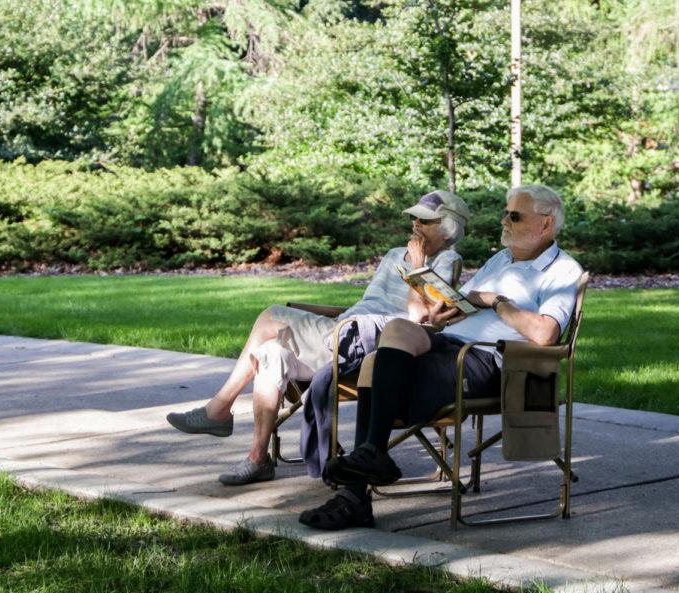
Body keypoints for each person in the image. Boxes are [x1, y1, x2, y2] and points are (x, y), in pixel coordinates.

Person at [298, 184, 584, 530]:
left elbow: (545, 334)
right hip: (448, 341)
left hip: (485, 360)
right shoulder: (500, 259)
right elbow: (460, 304)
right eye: (505, 213)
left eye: (514, 215)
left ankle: (354, 495)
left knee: (375, 368)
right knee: (399, 330)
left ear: (545, 224)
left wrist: (495, 300)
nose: (504, 220)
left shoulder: (562, 269)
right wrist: (441, 314)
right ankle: (372, 459)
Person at [166, 191, 471, 485]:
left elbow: (418, 316)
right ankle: (258, 458)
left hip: (373, 342)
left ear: (447, 230)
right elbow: (367, 302)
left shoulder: (446, 261)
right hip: (344, 329)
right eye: (414, 219)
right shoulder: (393, 255)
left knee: (271, 315)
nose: (415, 225)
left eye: (425, 221)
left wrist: (418, 266)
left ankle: (219, 410)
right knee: (271, 352)